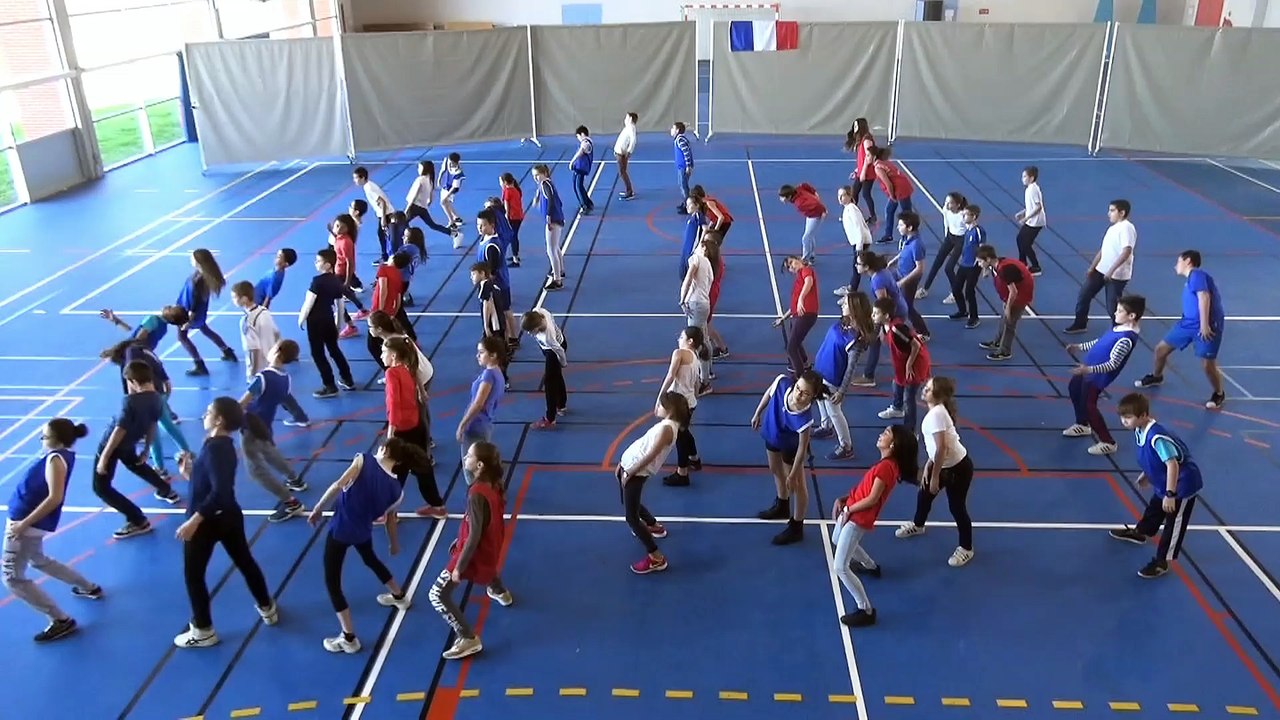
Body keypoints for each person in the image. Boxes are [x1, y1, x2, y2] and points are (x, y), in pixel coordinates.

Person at [173, 397, 278, 648]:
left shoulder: (215, 448)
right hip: (229, 517)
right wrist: (190, 474)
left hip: (208, 521)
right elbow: (211, 482)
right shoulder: (220, 445)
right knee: (244, 561)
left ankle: (203, 630)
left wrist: (195, 520)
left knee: (193, 576)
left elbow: (220, 493)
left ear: (219, 419)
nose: (205, 414)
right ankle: (267, 607)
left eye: (209, 411)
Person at [309, 439, 425, 653]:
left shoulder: (363, 460)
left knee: (332, 582)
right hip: (363, 532)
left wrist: (317, 508)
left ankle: (348, 638)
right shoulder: (397, 491)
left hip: (340, 531)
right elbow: (390, 520)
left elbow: (338, 484)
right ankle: (399, 596)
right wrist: (394, 544)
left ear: (385, 449)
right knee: (370, 558)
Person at [4, 418, 103, 643]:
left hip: (25, 525)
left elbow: (54, 497)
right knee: (39, 559)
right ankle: (87, 587)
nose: (42, 439)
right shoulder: (59, 455)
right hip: (29, 524)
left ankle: (60, 619)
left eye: (45, 436)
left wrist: (23, 524)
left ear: (57, 439)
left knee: (12, 578)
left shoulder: (55, 460)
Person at [430, 441, 514, 660]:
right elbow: (480, 525)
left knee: (437, 595)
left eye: (469, 455)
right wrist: (460, 538)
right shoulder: (493, 484)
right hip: (491, 546)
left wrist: (459, 566)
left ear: (480, 466)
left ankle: (467, 637)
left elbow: (475, 534)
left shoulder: (477, 493)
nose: (465, 457)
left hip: (475, 552)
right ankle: (498, 590)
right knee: (488, 567)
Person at [830, 424, 919, 628]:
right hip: (853, 512)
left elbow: (872, 499)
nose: (881, 434)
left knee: (840, 567)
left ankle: (866, 609)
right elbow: (865, 489)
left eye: (886, 433)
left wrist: (849, 510)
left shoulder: (885, 468)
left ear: (893, 445)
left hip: (857, 518)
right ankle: (870, 566)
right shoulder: (886, 465)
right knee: (836, 539)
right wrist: (845, 499)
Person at [1110, 393, 1204, 578]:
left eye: (1128, 418)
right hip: (1164, 480)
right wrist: (1147, 474)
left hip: (1182, 485)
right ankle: (1141, 532)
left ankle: (1162, 561)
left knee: (1173, 521)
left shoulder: (1157, 436)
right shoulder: (1140, 430)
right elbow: (1155, 459)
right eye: (1122, 417)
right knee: (1155, 507)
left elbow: (1172, 464)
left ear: (1144, 415)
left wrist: (1170, 494)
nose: (1124, 421)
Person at [94, 361, 181, 539]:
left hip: (113, 445)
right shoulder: (157, 398)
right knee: (137, 464)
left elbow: (119, 430)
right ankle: (166, 489)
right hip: (130, 443)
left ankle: (137, 520)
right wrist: (147, 449)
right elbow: (152, 425)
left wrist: (104, 456)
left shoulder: (130, 402)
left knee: (101, 487)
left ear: (133, 381)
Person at [894, 377, 975, 567]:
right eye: (926, 387)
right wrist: (930, 466)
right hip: (942, 464)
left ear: (938, 395)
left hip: (957, 469)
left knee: (957, 508)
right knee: (924, 495)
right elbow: (936, 448)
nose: (924, 390)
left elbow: (942, 448)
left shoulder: (937, 415)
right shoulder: (936, 412)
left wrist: (935, 477)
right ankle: (918, 525)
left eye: (929, 389)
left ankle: (966, 548)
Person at [1134, 250, 1226, 409]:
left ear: (1188, 261)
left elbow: (1204, 297)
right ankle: (1157, 376)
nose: (1175, 265)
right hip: (1187, 324)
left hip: (1206, 326)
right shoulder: (1191, 279)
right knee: (1160, 350)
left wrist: (1204, 325)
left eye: (1178, 261)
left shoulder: (1197, 275)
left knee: (1207, 365)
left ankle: (1218, 393)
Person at [617, 392, 691, 574]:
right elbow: (643, 445)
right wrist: (622, 464)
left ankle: (656, 557)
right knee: (629, 503)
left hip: (636, 472)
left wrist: (630, 472)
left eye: (660, 405)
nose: (656, 407)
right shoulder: (666, 425)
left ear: (670, 410)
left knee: (631, 517)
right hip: (629, 468)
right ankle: (652, 525)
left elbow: (651, 455)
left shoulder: (667, 429)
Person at [1064, 295, 1146, 456]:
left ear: (1132, 316)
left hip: (1096, 376)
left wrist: (1089, 370)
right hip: (1087, 369)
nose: (1115, 313)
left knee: (1089, 404)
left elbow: (1112, 364)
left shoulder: (1126, 339)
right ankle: (1082, 424)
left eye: (1120, 311)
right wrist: (1079, 346)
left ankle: (1108, 442)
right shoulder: (1118, 327)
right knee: (1074, 389)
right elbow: (1100, 341)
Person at [752, 370, 826, 545]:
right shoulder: (781, 383)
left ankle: (796, 526)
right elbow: (768, 394)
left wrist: (793, 474)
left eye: (805, 393)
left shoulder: (804, 418)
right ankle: (782, 505)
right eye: (798, 388)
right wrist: (757, 413)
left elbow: (802, 448)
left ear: (813, 396)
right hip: (772, 434)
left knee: (798, 486)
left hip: (790, 447)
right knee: (775, 469)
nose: (799, 395)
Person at [811, 292, 874, 461]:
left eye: (845, 303)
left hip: (833, 377)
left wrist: (842, 391)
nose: (841, 305)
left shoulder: (856, 339)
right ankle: (826, 427)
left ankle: (846, 446)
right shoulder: (843, 323)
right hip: (820, 369)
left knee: (834, 411)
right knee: (819, 399)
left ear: (855, 309)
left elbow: (850, 369)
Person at [1066, 199, 1136, 334]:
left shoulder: (1127, 228)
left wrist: (1111, 271)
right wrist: (1092, 267)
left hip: (1115, 275)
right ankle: (1080, 323)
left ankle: (1121, 330)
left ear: (1122, 213)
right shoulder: (1112, 228)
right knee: (1084, 295)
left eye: (1112, 211)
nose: (1108, 214)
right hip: (1101, 270)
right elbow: (1104, 250)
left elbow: (1126, 251)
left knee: (1112, 306)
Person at [298, 248, 355, 398]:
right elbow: (340, 305)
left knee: (318, 353)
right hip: (329, 319)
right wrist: (338, 324)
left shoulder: (317, 281)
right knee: (334, 350)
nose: (316, 263)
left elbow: (308, 302)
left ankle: (329, 385)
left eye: (318, 261)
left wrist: (301, 318)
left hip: (315, 322)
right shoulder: (336, 280)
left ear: (328, 264)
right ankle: (347, 379)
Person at [873, 296, 931, 432]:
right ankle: (897, 408)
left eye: (876, 313)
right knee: (897, 383)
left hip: (915, 362)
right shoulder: (886, 325)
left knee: (909, 397)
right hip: (902, 361)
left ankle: (910, 431)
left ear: (886, 315)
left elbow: (915, 345)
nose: (873, 315)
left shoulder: (896, 329)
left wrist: (909, 365)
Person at [175, 248, 237, 376]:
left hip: (186, 315)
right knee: (205, 330)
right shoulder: (205, 276)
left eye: (192, 257)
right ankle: (227, 351)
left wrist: (188, 321)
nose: (190, 259)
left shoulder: (197, 280)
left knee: (182, 337)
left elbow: (192, 305)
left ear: (198, 261)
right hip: (200, 314)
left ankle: (199, 365)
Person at [976, 244, 1035, 362]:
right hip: (1014, 293)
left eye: (980, 262)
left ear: (988, 259)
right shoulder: (997, 263)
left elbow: (1013, 291)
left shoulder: (1004, 270)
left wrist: (1008, 307)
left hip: (1020, 296)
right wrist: (985, 269)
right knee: (1004, 320)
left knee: (1009, 323)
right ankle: (998, 342)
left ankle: (1005, 351)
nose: (978, 264)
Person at [522, 308, 568, 430]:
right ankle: (561, 404)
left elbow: (559, 350)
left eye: (531, 331)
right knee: (556, 375)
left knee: (549, 383)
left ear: (537, 327)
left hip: (553, 352)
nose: (529, 334)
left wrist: (563, 362)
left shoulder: (547, 337)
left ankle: (550, 419)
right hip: (552, 346)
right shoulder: (541, 312)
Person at [774, 256, 819, 376]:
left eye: (791, 262)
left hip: (806, 314)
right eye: (788, 267)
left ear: (798, 259)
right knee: (796, 343)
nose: (791, 266)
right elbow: (794, 306)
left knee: (791, 348)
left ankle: (799, 376)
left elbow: (809, 282)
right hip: (797, 315)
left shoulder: (806, 270)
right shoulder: (798, 279)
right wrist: (784, 317)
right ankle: (805, 364)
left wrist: (801, 298)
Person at [919, 192, 966, 302]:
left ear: (958, 205)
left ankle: (955, 293)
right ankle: (925, 289)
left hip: (961, 239)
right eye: (946, 202)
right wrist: (946, 236)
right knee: (937, 262)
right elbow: (946, 222)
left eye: (950, 203)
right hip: (950, 237)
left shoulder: (963, 215)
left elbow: (969, 230)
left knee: (949, 268)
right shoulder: (946, 210)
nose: (947, 205)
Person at [948, 203, 985, 330]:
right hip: (964, 264)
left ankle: (974, 317)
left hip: (973, 266)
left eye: (965, 215)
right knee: (956, 289)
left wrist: (983, 267)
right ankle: (963, 310)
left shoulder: (978, 231)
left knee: (969, 291)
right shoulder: (967, 231)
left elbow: (982, 248)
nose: (963, 217)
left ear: (973, 216)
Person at [532, 164, 566, 291]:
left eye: (537, 175)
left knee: (550, 249)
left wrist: (549, 216)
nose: (536, 178)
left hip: (553, 220)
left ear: (544, 173)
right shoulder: (545, 184)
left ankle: (557, 280)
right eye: (534, 176)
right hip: (557, 218)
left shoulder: (546, 185)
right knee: (555, 246)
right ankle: (560, 270)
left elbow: (551, 199)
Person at [778, 183, 827, 263]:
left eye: (782, 197)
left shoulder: (800, 203)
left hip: (815, 216)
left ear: (789, 196)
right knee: (810, 236)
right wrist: (814, 192)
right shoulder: (798, 189)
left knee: (806, 237)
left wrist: (823, 210)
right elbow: (804, 185)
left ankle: (805, 259)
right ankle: (811, 256)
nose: (781, 199)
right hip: (810, 215)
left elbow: (816, 204)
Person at [838, 185, 873, 293]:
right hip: (858, 242)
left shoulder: (852, 209)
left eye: (843, 195)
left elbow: (859, 227)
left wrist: (859, 246)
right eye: (839, 195)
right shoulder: (848, 208)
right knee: (859, 266)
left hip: (861, 243)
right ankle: (852, 288)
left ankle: (852, 291)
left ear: (849, 196)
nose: (840, 198)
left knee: (858, 267)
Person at [1014, 166, 1046, 276]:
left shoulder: (1033, 189)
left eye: (1024, 176)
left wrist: (1026, 218)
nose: (1022, 179)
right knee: (1020, 239)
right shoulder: (1029, 189)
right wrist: (1023, 212)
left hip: (1035, 222)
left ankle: (1036, 267)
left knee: (1025, 244)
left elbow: (1038, 207)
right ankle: (1022, 263)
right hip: (1031, 220)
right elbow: (1031, 206)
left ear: (1031, 178)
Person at [569, 125, 595, 215]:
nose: (578, 138)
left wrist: (572, 161)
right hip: (579, 167)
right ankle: (588, 202)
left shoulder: (586, 143)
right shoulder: (586, 142)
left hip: (581, 168)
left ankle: (585, 205)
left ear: (582, 134)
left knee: (578, 187)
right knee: (578, 186)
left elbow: (581, 152)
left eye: (578, 136)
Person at [614, 112, 638, 200]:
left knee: (622, 172)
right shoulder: (628, 128)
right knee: (622, 172)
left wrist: (629, 151)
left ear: (631, 119)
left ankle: (629, 192)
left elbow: (633, 140)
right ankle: (629, 190)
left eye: (627, 117)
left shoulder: (631, 128)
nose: (625, 119)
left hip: (622, 154)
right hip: (619, 152)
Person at [672, 122, 694, 213]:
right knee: (682, 185)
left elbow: (686, 153)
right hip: (682, 167)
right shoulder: (679, 139)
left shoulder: (680, 140)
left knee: (683, 186)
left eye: (673, 128)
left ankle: (688, 205)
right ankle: (686, 203)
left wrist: (688, 166)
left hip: (683, 167)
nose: (671, 130)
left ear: (677, 130)